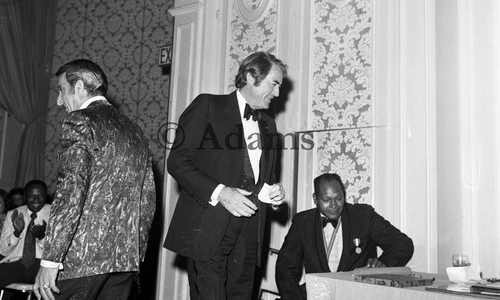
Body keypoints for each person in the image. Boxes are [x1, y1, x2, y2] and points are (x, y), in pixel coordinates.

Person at [164, 51, 288, 300]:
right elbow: (177, 162)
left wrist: (273, 193)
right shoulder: (208, 106)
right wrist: (221, 192)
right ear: (252, 76)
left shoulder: (269, 125)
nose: (277, 93)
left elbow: (262, 179)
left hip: (249, 236)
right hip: (208, 230)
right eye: (274, 84)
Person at [32, 59, 156, 300]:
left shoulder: (79, 120)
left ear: (78, 86)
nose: (59, 101)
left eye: (61, 90)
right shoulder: (134, 129)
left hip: (81, 260)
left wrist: (50, 261)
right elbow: (147, 199)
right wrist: (134, 254)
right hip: (123, 262)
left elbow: (70, 194)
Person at [276, 173, 414, 299]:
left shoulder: (363, 216)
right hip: (317, 295)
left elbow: (403, 244)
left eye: (338, 198)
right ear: (315, 199)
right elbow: (285, 268)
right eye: (327, 200)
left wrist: (383, 265)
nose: (334, 205)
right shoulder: (302, 222)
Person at [0, 180, 51, 286]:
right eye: (31, 196)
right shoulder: (14, 213)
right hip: (16, 263)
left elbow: (56, 251)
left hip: (42, 265)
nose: (36, 200)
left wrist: (41, 237)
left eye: (40, 195)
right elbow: (3, 251)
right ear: (25, 196)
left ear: (46, 196)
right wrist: (16, 233)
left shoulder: (55, 214)